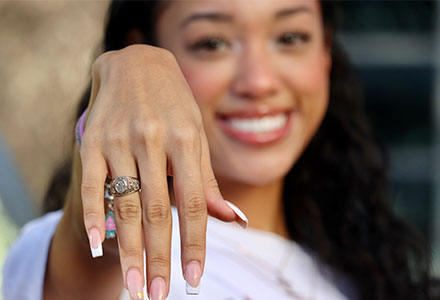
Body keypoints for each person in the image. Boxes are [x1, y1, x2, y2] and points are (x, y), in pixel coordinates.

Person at [2, 1, 436, 299]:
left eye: (290, 37)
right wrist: (129, 67)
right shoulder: (125, 259)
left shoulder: (352, 271)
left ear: (325, 51)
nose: (259, 81)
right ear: (152, 42)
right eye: (212, 43)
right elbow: (96, 244)